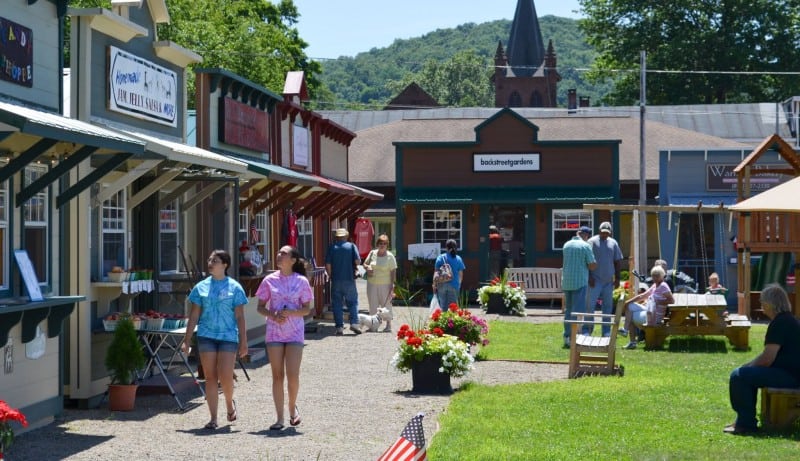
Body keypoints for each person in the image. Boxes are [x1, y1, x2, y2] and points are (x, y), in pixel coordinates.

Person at [181, 250, 248, 430]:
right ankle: (213, 418)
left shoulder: (235, 287)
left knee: (225, 376)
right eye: (209, 259)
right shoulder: (200, 287)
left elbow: (240, 316)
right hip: (206, 336)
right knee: (210, 377)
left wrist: (244, 341)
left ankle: (228, 403)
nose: (210, 262)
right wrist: (187, 340)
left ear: (225, 264)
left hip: (228, 336)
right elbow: (194, 315)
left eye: (215, 260)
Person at [726, 284, 800, 435]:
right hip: (792, 374)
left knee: (738, 376)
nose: (761, 306)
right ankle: (743, 420)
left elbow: (767, 358)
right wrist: (749, 366)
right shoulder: (788, 320)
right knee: (745, 374)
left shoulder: (780, 323)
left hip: (791, 377)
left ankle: (745, 424)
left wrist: (746, 367)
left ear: (769, 304)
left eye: (762, 302)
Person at [256, 245, 313, 431]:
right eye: (278, 252)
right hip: (274, 332)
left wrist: (292, 312)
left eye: (283, 253)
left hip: (295, 332)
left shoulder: (302, 281)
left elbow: (307, 309)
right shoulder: (268, 280)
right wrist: (272, 314)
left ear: (293, 260)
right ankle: (279, 418)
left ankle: (292, 407)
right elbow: (260, 307)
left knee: (293, 375)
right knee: (277, 375)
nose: (279, 255)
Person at [619, 265, 674, 349]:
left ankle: (631, 340)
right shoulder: (655, 285)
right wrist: (627, 302)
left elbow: (672, 300)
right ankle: (626, 331)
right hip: (649, 311)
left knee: (630, 316)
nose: (655, 278)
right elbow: (643, 296)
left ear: (662, 276)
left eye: (657, 276)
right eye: (653, 276)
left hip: (654, 316)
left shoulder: (663, 286)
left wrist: (658, 302)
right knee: (630, 306)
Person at [561, 226, 597, 348]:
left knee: (568, 310)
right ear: (586, 235)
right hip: (580, 282)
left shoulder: (566, 245)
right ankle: (575, 336)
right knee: (577, 311)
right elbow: (592, 265)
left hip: (567, 281)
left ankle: (567, 336)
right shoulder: (585, 246)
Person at [587, 221, 623, 337]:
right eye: (603, 232)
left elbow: (617, 261)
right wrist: (589, 276)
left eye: (607, 233)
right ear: (599, 231)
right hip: (594, 280)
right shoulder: (591, 242)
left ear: (610, 233)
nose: (605, 235)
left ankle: (606, 331)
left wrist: (618, 278)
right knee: (590, 306)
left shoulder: (613, 243)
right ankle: (587, 330)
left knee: (607, 306)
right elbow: (586, 261)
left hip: (608, 281)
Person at [325, 228, 362, 335]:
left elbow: (328, 264)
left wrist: (331, 275)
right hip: (349, 278)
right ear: (346, 236)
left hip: (336, 279)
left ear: (337, 237)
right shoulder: (351, 246)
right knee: (352, 302)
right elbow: (357, 261)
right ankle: (354, 323)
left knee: (337, 304)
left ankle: (339, 327)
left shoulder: (332, 248)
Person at [363, 234, 397, 332]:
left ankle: (388, 325)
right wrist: (367, 267)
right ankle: (373, 325)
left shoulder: (390, 256)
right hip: (372, 283)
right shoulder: (372, 253)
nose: (382, 245)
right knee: (372, 304)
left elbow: (393, 271)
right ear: (377, 244)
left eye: (385, 243)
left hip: (385, 284)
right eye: (380, 243)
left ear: (387, 245)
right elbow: (364, 263)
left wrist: (392, 285)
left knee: (386, 304)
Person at [433, 239, 466, 309]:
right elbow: (460, 275)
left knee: (443, 307)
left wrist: (434, 285)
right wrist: (458, 285)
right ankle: (451, 320)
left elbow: (436, 273)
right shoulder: (458, 259)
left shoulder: (440, 257)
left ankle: (443, 319)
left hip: (441, 285)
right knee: (453, 308)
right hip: (454, 285)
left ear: (446, 247)